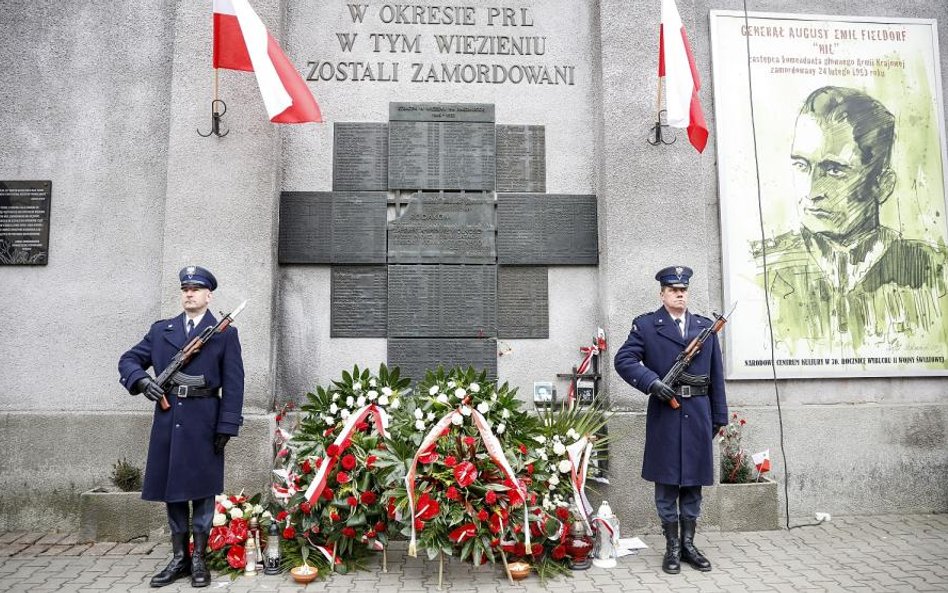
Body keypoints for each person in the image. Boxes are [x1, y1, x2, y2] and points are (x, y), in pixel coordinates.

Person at [754, 86, 948, 351]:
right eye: (801, 165)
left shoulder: (934, 271)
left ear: (882, 184)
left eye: (833, 170)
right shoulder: (763, 268)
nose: (811, 192)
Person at [118, 266, 244, 588]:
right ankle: (179, 559)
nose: (189, 293)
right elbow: (128, 360)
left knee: (202, 492)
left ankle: (199, 558)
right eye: (185, 288)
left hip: (204, 420)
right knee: (173, 491)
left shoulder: (223, 333)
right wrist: (143, 381)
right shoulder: (162, 331)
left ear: (208, 295)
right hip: (169, 419)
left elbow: (234, 383)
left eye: (196, 289)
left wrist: (226, 426)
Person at [613, 266, 727, 575]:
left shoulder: (704, 327)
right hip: (666, 412)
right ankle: (672, 547)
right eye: (673, 289)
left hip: (700, 414)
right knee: (666, 485)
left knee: (692, 485)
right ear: (662, 293)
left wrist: (720, 416)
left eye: (683, 290)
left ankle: (689, 545)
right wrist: (651, 383)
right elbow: (623, 360)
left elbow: (716, 374)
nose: (679, 294)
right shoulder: (647, 326)